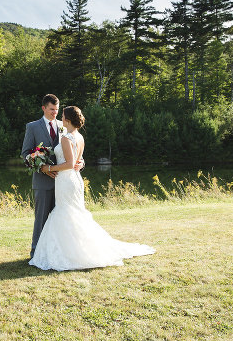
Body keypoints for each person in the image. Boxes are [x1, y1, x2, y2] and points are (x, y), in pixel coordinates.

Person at [28, 105, 155, 271]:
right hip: (75, 179)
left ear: (66, 119)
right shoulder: (79, 136)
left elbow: (70, 163)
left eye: (63, 114)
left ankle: (70, 253)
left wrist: (48, 169)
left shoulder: (66, 138)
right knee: (74, 214)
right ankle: (75, 249)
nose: (60, 117)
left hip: (66, 180)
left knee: (66, 213)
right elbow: (76, 161)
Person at [21, 94, 82, 259]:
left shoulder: (65, 125)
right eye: (52, 109)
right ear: (43, 108)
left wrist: (80, 162)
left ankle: (59, 253)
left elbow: (74, 151)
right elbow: (25, 154)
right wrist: (43, 168)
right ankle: (36, 253)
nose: (55, 113)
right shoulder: (32, 127)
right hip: (42, 182)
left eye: (57, 109)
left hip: (63, 184)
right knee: (41, 220)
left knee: (61, 221)